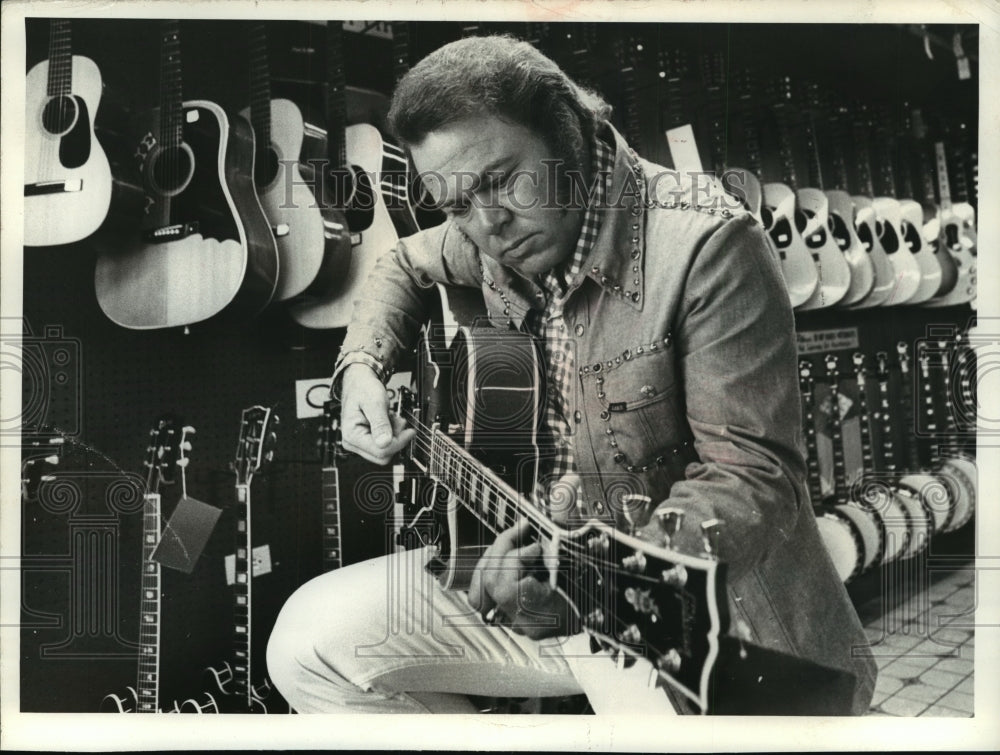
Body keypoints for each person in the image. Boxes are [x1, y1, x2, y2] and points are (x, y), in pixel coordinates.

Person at [266, 34, 877, 715]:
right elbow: (400, 265)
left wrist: (578, 572)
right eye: (457, 204)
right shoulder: (489, 233)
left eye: (501, 181)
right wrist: (361, 369)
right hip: (536, 577)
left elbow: (752, 477)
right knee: (306, 641)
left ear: (570, 130)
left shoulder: (706, 243)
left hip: (693, 621)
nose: (488, 224)